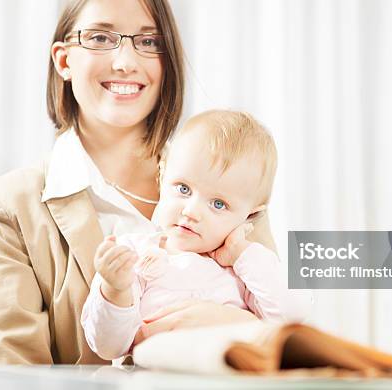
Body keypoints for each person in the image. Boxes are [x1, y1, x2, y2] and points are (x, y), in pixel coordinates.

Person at [0, 0, 278, 364]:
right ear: (64, 61)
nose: (126, 62)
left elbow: (285, 332)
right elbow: (5, 379)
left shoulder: (232, 188)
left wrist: (240, 327)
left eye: (148, 42)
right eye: (99, 37)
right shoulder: (6, 210)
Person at [81, 110, 312, 360]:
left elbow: (292, 316)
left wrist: (242, 253)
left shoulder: (244, 269)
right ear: (162, 176)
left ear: (249, 216)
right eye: (183, 188)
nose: (191, 212)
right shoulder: (133, 253)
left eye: (218, 204)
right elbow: (108, 346)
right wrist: (115, 289)